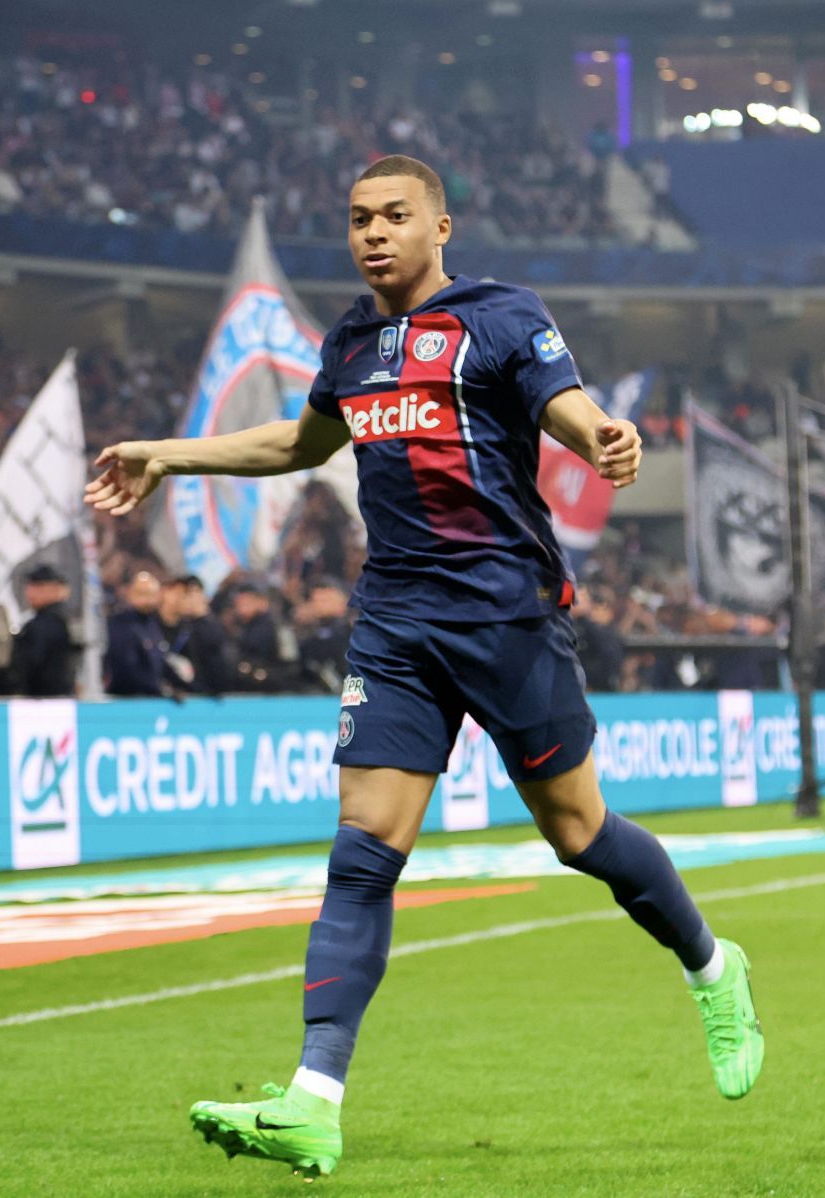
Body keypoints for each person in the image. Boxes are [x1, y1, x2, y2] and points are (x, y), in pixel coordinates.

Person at [87, 154, 762, 1180]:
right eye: (359, 218)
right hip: (396, 624)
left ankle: (714, 967)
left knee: (579, 832)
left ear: (442, 225)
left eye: (396, 216)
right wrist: (164, 452)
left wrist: (604, 439)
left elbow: (564, 402)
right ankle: (313, 1100)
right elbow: (300, 445)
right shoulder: (350, 343)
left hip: (506, 615)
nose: (373, 233)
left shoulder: (499, 315)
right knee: (364, 850)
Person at [11, 562, 75, 697]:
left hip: (44, 701)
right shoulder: (61, 619)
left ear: (55, 588)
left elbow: (32, 667)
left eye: (38, 586)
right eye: (29, 586)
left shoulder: (48, 624)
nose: (29, 592)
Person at [104, 570, 165, 697]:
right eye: (142, 594)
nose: (148, 600)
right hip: (126, 700)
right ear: (130, 594)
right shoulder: (120, 623)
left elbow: (160, 661)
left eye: (152, 594)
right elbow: (126, 667)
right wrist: (155, 689)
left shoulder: (154, 623)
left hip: (151, 698)